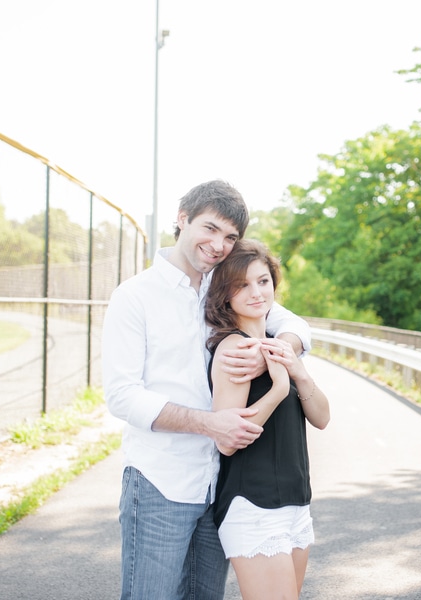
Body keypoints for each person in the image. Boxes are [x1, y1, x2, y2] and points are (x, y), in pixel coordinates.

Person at [101, 180, 312, 600]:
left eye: (230, 237)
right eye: (210, 228)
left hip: (219, 483)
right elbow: (122, 395)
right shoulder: (135, 296)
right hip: (161, 480)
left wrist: (271, 353)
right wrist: (208, 424)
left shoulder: (225, 285)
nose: (218, 245)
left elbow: (294, 324)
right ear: (182, 219)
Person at [205, 239, 330, 600]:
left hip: (295, 501)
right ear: (225, 295)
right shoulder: (235, 349)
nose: (256, 292)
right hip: (254, 504)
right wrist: (277, 389)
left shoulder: (279, 344)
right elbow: (227, 442)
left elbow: (322, 417)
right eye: (242, 285)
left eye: (263, 281)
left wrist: (298, 372)